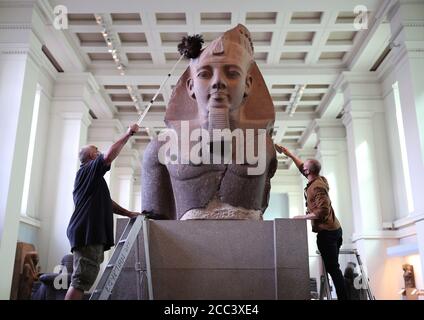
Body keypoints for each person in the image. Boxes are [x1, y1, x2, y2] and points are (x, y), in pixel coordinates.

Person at [142, 24, 277, 220]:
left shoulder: (263, 144)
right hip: (184, 247)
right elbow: (153, 220)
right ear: (190, 86)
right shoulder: (161, 147)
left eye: (231, 73)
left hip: (249, 245)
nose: (217, 82)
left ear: (248, 84)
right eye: (205, 74)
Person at [65, 123, 140, 300]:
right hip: (86, 232)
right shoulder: (86, 171)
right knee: (81, 281)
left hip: (87, 232)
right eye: (96, 150)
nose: (99, 151)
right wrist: (128, 134)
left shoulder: (93, 180)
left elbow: (108, 203)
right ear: (92, 156)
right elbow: (108, 157)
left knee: (84, 279)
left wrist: (129, 213)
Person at [274, 144, 347, 300]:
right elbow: (302, 166)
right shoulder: (319, 178)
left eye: (305, 168)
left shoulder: (317, 187)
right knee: (332, 268)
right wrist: (289, 154)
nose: (303, 168)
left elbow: (323, 211)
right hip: (335, 229)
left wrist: (303, 217)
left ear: (308, 172)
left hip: (328, 233)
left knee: (333, 269)